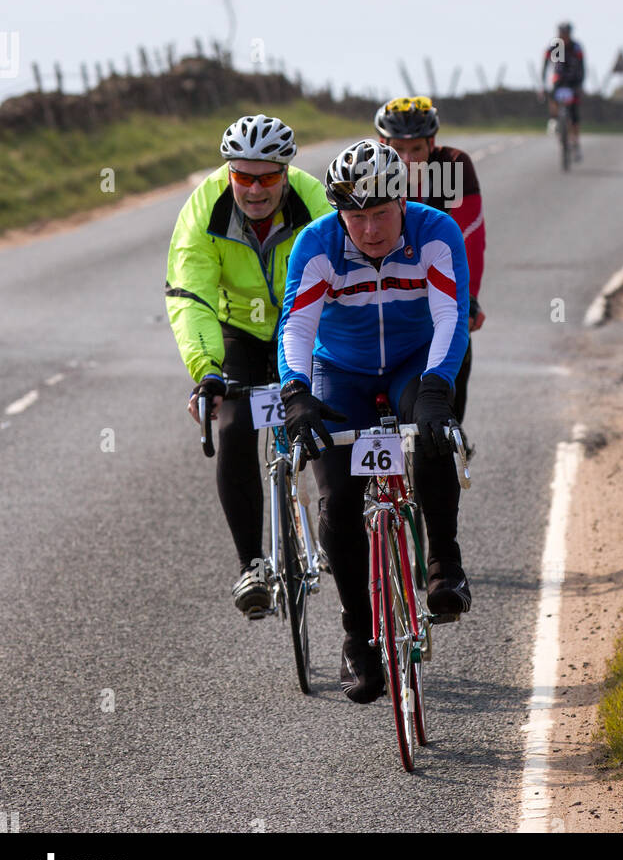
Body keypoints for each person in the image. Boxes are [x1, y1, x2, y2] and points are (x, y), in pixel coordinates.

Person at [278, 139, 471, 704]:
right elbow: (296, 327)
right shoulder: (317, 244)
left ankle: (443, 563)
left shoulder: (436, 233)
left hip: (415, 361)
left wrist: (437, 388)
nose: (368, 230)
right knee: (338, 501)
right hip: (343, 370)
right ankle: (358, 639)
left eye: (380, 214)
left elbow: (449, 315)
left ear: (403, 202)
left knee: (432, 435)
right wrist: (296, 393)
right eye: (355, 217)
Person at [165, 114, 330, 618]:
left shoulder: (314, 201)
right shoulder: (204, 208)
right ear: (229, 172)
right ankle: (251, 565)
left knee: (327, 419)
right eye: (243, 176)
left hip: (304, 324)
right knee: (234, 425)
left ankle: (341, 523)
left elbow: (340, 279)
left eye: (267, 177)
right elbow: (189, 295)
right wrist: (207, 370)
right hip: (235, 328)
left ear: (286, 172)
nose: (255, 189)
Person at [373, 94, 485, 422]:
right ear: (382, 143)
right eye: (398, 149)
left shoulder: (451, 167)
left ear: (432, 145)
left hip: (437, 286)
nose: (407, 160)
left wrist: (470, 299)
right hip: (381, 289)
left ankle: (450, 427)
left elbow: (470, 238)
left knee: (457, 335)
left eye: (416, 150)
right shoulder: (368, 169)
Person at [541, 22, 585, 160]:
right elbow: (550, 65)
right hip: (559, 82)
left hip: (573, 82)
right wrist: (544, 84)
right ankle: (554, 119)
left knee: (574, 114)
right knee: (553, 97)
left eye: (566, 33)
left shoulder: (576, 47)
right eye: (561, 33)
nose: (563, 36)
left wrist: (580, 85)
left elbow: (582, 68)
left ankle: (576, 143)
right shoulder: (557, 46)